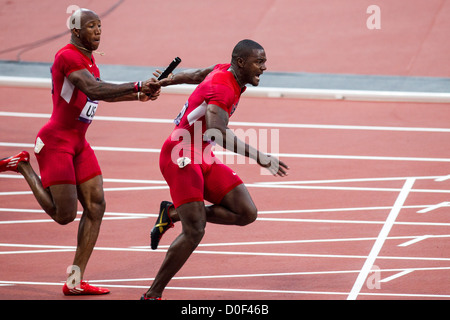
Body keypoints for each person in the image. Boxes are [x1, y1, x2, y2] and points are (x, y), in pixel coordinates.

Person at [0, 8, 160, 296]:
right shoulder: (68, 56)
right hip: (56, 142)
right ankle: (23, 165)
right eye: (91, 26)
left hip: (78, 143)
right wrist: (136, 84)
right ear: (76, 31)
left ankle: (75, 280)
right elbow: (94, 89)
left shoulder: (89, 61)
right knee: (64, 216)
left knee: (96, 207)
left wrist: (139, 95)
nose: (98, 30)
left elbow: (98, 94)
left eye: (100, 26)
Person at [141, 39, 289, 300]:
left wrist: (168, 80)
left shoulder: (225, 70)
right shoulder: (223, 86)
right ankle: (153, 294)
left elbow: (197, 74)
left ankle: (172, 213)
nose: (264, 68)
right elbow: (216, 131)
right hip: (181, 155)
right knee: (195, 231)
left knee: (246, 212)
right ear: (241, 62)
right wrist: (260, 156)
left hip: (202, 155)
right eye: (260, 62)